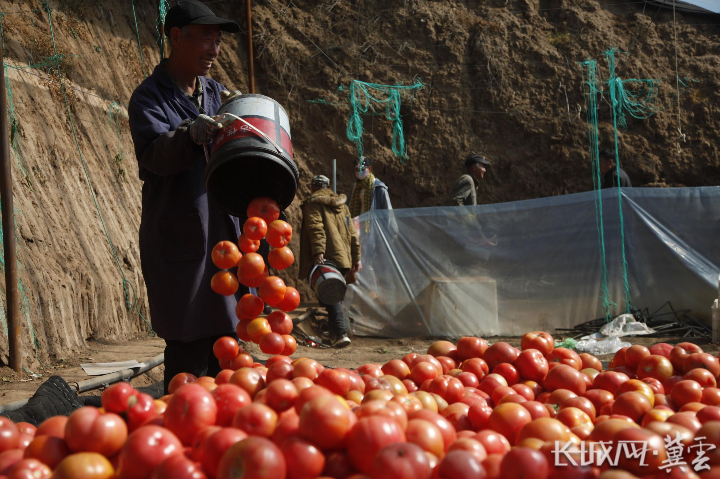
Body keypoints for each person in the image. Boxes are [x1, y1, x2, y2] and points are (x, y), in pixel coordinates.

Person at [127, 0, 243, 393]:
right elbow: (155, 156)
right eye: (206, 39)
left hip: (224, 237)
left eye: (218, 41)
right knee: (188, 350)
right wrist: (191, 135)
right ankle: (180, 435)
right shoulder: (149, 98)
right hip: (180, 240)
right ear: (176, 37)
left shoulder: (217, 94)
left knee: (227, 347)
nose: (214, 50)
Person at [300, 175, 361, 348]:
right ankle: (335, 333)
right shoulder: (343, 207)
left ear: (313, 187)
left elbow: (316, 228)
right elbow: (352, 234)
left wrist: (318, 251)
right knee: (333, 295)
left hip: (326, 256)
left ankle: (341, 334)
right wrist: (356, 257)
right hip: (342, 257)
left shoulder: (313, 203)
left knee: (331, 295)